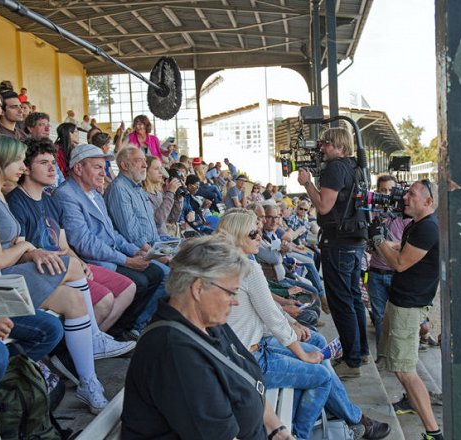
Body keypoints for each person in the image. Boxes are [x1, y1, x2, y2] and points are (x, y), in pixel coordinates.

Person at [0, 134, 110, 414]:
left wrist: (26, 249)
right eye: (17, 160)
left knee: (73, 302)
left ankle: (89, 383)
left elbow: (10, 246)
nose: (22, 166)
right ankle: (94, 338)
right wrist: (27, 246)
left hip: (6, 277)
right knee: (72, 266)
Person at [218, 209, 391, 440]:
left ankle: (346, 416)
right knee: (321, 375)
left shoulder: (233, 262)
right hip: (252, 359)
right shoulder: (247, 268)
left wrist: (292, 325)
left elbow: (265, 308)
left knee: (317, 345)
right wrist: (299, 349)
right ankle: (303, 433)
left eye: (259, 231)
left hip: (250, 350)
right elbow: (270, 316)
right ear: (237, 236)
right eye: (253, 233)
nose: (259, 236)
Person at [122, 236, 292, 439]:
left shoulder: (209, 324)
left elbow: (251, 382)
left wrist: (277, 430)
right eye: (231, 292)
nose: (235, 302)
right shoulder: (173, 352)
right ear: (198, 288)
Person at [7, 137, 137, 346]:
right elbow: (19, 254)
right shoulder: (16, 202)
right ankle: (78, 349)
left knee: (128, 287)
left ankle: (93, 342)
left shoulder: (51, 200)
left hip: (66, 265)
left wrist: (80, 263)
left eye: (52, 162)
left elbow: (64, 246)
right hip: (42, 270)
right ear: (27, 169)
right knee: (104, 299)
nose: (52, 169)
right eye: (43, 163)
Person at [52, 144, 164, 341]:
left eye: (103, 167)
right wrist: (127, 260)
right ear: (78, 168)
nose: (103, 173)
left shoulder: (95, 193)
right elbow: (84, 242)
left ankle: (120, 329)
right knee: (141, 281)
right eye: (97, 167)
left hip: (109, 254)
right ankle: (111, 334)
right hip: (92, 260)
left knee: (154, 273)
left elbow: (111, 233)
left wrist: (136, 251)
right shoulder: (66, 195)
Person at [372, 179, 443, 440]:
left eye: (411, 195)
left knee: (405, 369)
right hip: (400, 301)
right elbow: (401, 248)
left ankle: (433, 431)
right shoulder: (417, 225)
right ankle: (410, 400)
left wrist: (379, 240)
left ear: (428, 202)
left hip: (408, 308)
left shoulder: (428, 228)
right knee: (398, 364)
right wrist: (383, 239)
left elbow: (400, 263)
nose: (404, 198)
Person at [297, 127, 369, 378]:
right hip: (353, 241)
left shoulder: (336, 168)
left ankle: (351, 361)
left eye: (327, 144)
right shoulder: (353, 167)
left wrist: (307, 183)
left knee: (341, 303)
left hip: (338, 243)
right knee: (353, 298)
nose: (322, 148)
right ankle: (360, 353)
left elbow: (324, 206)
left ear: (340, 146)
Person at [104, 147, 172, 335]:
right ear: (125, 165)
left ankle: (149, 319)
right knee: (167, 275)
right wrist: (158, 256)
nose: (144, 164)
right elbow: (131, 233)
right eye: (139, 160)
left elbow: (151, 226)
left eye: (144, 160)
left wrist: (163, 250)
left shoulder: (137, 188)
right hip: (131, 250)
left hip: (149, 246)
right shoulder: (119, 189)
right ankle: (138, 326)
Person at [366, 175, 411, 357]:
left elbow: (411, 243)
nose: (386, 195)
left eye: (390, 191)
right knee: (379, 317)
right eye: (382, 190)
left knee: (399, 318)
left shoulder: (405, 214)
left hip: (397, 273)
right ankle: (382, 355)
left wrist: (389, 244)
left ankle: (397, 356)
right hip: (376, 272)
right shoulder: (373, 212)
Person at [142, 155, 181, 237]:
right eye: (156, 169)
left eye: (161, 169)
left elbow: (172, 218)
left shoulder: (159, 193)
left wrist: (178, 199)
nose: (161, 172)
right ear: (146, 171)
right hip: (155, 239)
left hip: (164, 236)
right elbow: (158, 220)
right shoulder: (143, 194)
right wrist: (170, 193)